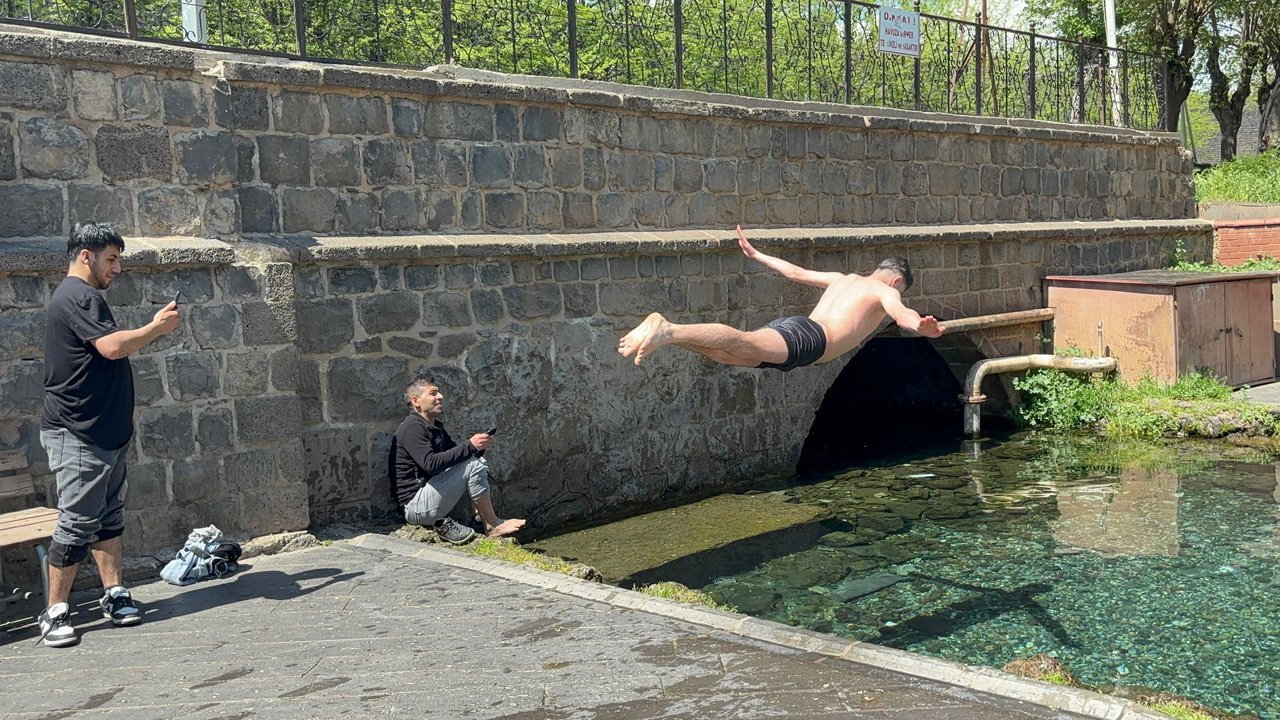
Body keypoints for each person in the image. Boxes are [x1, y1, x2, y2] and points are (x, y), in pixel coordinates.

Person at [38, 222, 180, 648]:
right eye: (112, 259)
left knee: (109, 517)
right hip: (80, 432)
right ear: (87, 255)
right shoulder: (77, 296)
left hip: (107, 432)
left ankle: (114, 593)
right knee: (77, 521)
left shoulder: (85, 297)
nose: (117, 268)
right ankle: (55, 610)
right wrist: (156, 328)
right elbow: (112, 347)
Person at [619, 225, 945, 369]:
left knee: (727, 355)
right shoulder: (884, 291)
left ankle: (669, 337)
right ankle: (668, 329)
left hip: (801, 334)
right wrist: (920, 326)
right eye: (901, 290)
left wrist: (758, 255)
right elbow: (901, 314)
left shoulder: (843, 279)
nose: (897, 295)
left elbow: (795, 273)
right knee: (743, 343)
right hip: (812, 340)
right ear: (897, 280)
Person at [390, 375, 525, 543]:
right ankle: (492, 525)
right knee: (473, 466)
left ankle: (478, 521)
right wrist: (470, 446)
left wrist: (477, 448)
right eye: (433, 393)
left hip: (430, 498)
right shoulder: (412, 428)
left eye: (438, 392)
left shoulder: (434, 427)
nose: (440, 397)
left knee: (475, 463)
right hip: (415, 507)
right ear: (416, 401)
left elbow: (455, 457)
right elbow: (431, 464)